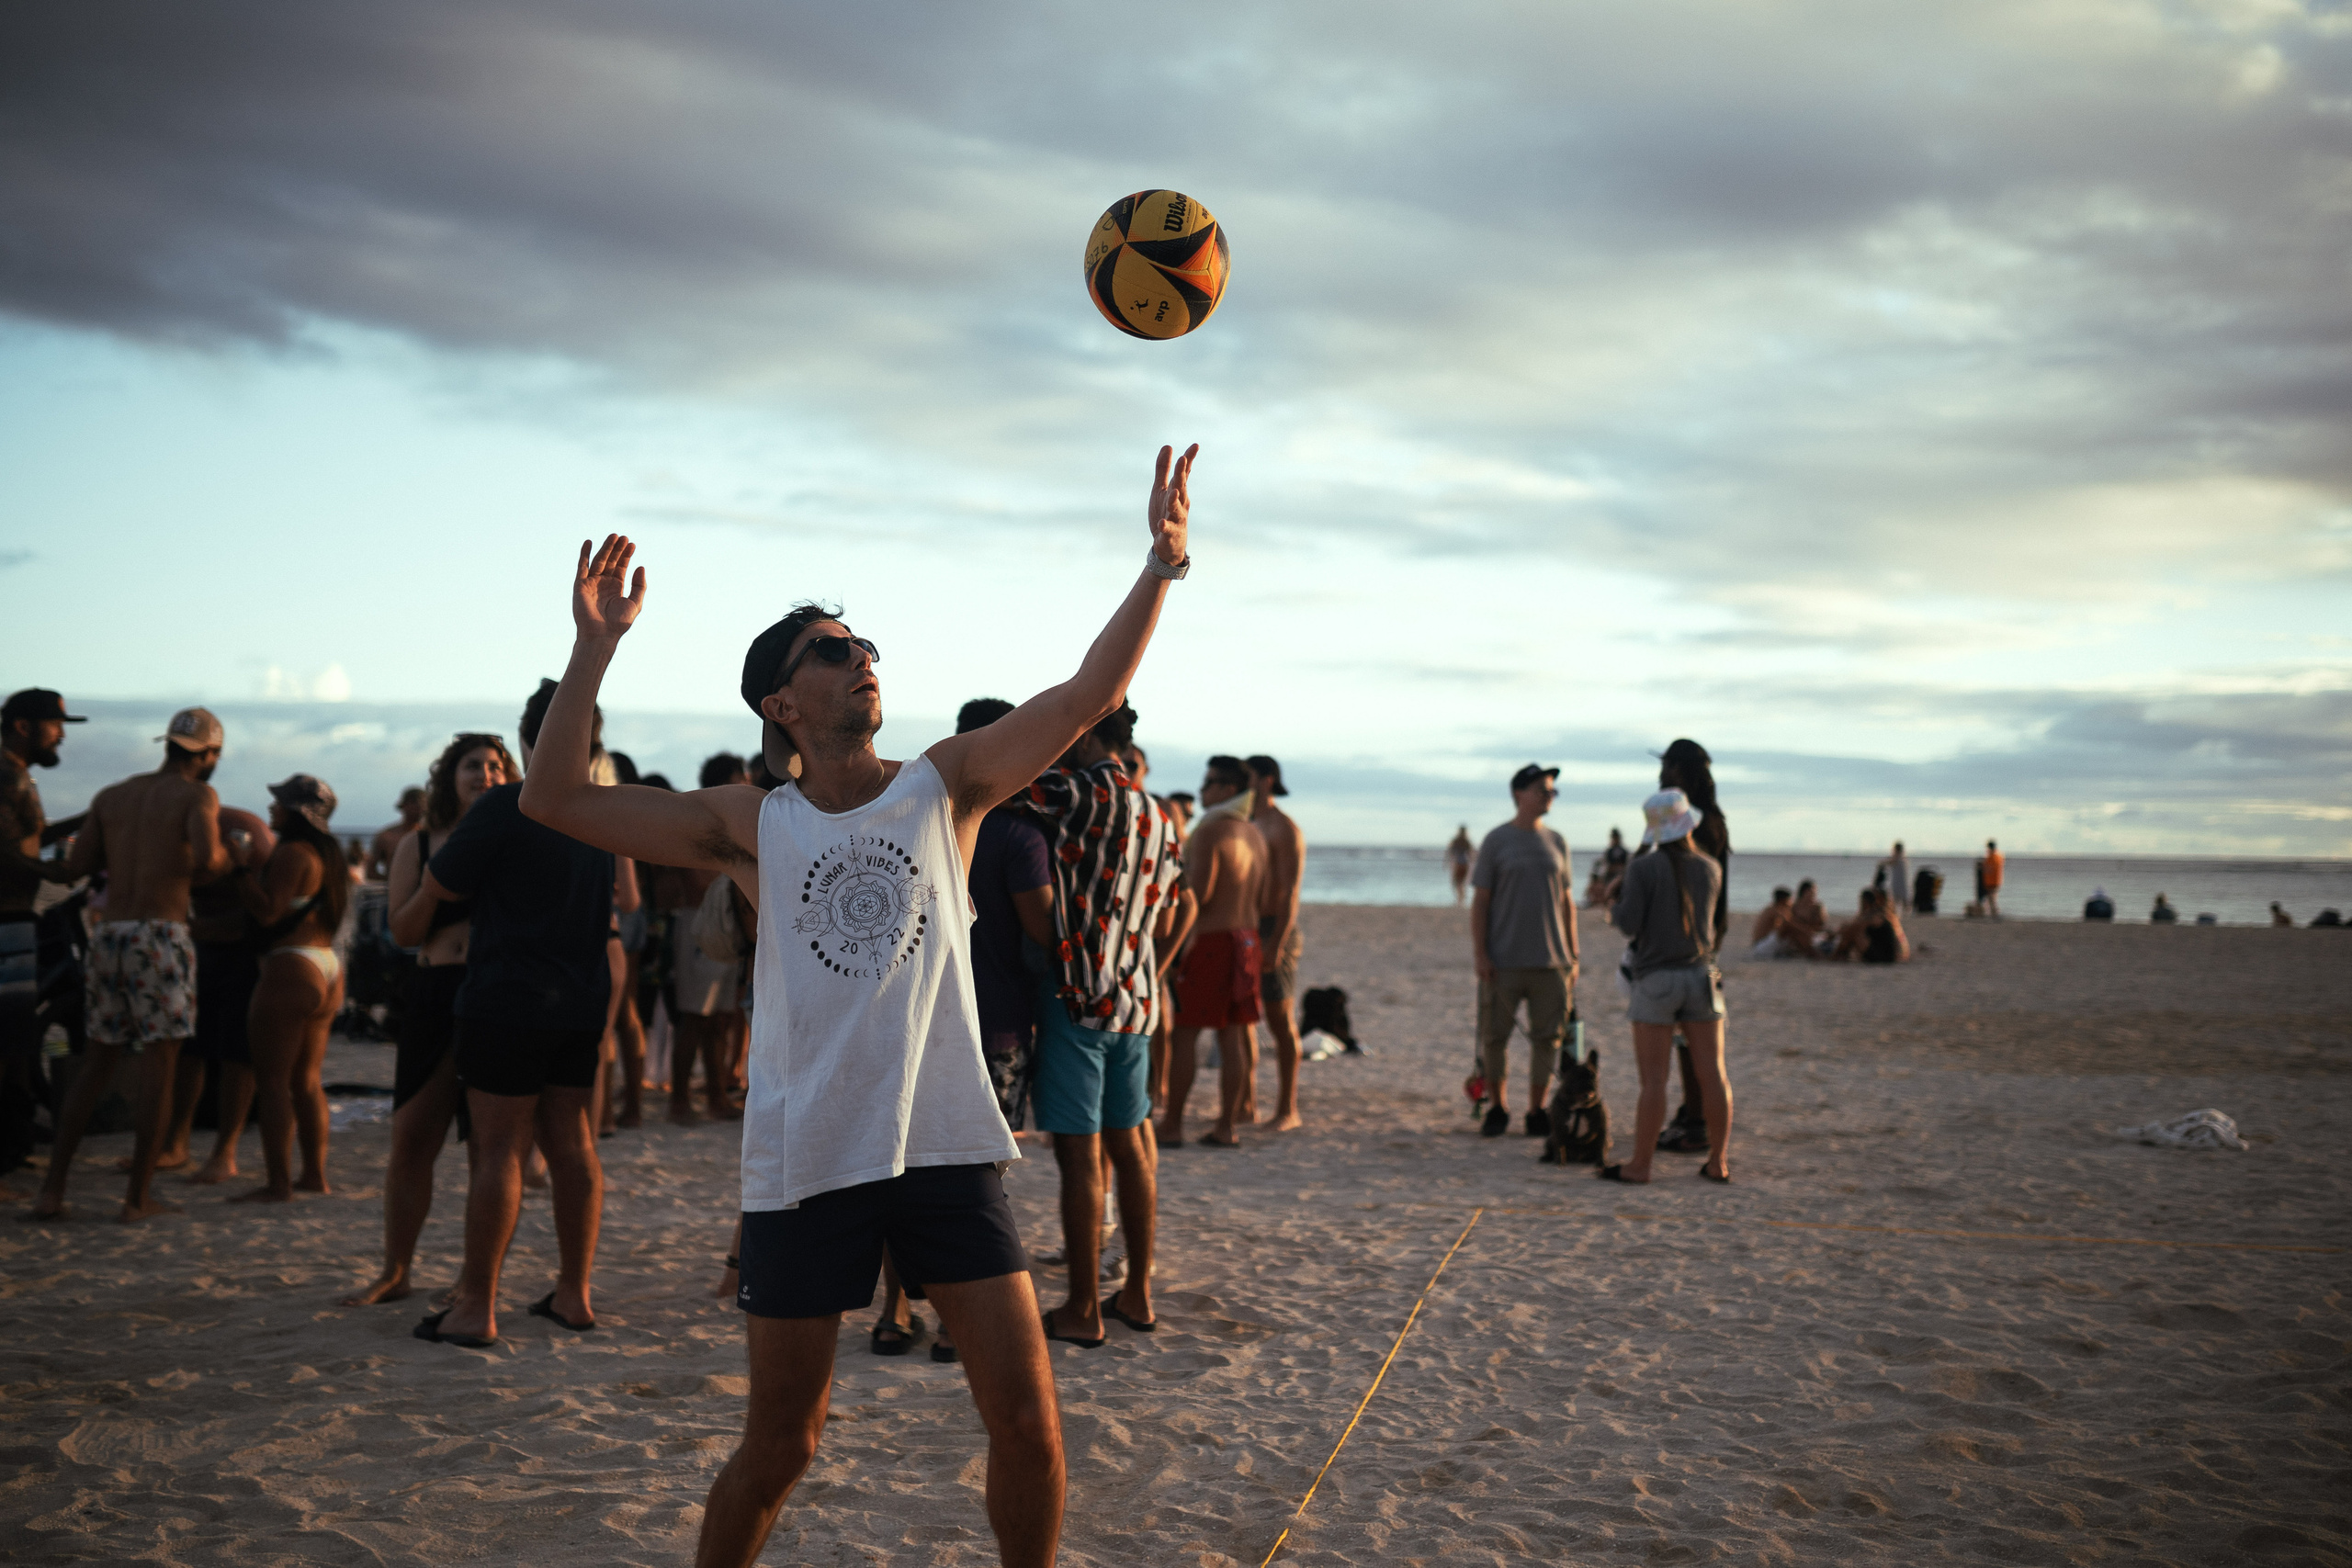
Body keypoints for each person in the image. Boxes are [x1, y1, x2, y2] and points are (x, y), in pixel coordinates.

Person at [515, 441, 1198, 1568]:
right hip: (807, 1159)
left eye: (865, 645)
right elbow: (552, 799)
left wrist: (1160, 566)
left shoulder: (947, 786)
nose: (862, 659)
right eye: (833, 651)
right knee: (782, 1444)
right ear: (783, 702)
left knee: (1030, 1428)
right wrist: (593, 650)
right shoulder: (750, 824)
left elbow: (1089, 696)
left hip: (945, 1148)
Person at [28, 707, 235, 1222]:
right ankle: (137, 1199)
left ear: (167, 744)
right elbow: (208, 860)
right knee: (158, 1069)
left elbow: (77, 867)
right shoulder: (197, 796)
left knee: (96, 1064)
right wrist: (233, 858)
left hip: (110, 936)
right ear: (209, 754)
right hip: (160, 934)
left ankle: (52, 1191)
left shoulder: (112, 795)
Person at [1025, 701, 1186, 1346]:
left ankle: (1084, 1306)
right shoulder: (1160, 814)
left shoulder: (1072, 792)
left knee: (1080, 1155)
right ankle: (1138, 1293)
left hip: (1076, 996)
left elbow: (995, 790)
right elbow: (1170, 910)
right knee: (1131, 1145)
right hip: (1137, 1000)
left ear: (1085, 734)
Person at [342, 733, 516, 1305]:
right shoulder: (418, 844)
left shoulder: (519, 841)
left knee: (487, 1146)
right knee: (413, 1137)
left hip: (496, 993)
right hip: (435, 989)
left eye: (496, 766)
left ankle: (474, 1278)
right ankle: (396, 1270)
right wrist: (442, 878)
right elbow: (404, 932)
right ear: (449, 776)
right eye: (473, 765)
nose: (485, 775)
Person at [227, 775, 350, 1203]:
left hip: (292, 968)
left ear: (297, 812)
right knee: (307, 1081)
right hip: (327, 966)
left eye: (278, 802)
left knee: (273, 1081)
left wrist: (240, 866)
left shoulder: (293, 852)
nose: (271, 808)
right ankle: (314, 1176)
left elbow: (267, 912)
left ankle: (278, 1183)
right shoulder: (329, 855)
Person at [1600, 789, 1729, 1185]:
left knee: (1654, 1081)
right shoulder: (1710, 867)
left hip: (1656, 978)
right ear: (1687, 823)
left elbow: (1629, 924)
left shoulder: (1643, 868)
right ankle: (1718, 1161)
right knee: (1713, 1074)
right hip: (1701, 976)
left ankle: (1641, 1165)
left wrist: (1611, 902)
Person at [157, 802, 272, 1183]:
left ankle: (225, 1151)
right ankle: (176, 1142)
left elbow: (264, 909)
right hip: (201, 949)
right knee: (190, 1048)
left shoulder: (243, 830)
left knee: (237, 1053)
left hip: (242, 950)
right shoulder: (169, 830)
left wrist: (203, 927)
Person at [1, 690, 87, 1187]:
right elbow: (7, 853)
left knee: (15, 1033)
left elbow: (24, 840)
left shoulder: (16, 774)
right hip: (5, 918)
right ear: (22, 727)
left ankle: (14, 1138)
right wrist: (55, 873)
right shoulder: (5, 773)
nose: (61, 736)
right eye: (55, 725)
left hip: (15, 915)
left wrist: (83, 822)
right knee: (6, 1035)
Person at [1469, 763, 1579, 1138]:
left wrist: (1574, 955)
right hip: (1503, 961)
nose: (1549, 796)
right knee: (1495, 1037)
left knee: (1548, 1038)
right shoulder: (1497, 840)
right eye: (1542, 790)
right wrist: (1480, 954)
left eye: (1552, 791)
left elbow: (1566, 902)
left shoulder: (1557, 841)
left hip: (1552, 961)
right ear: (1519, 793)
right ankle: (1498, 1108)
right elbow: (1480, 902)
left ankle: (1537, 1110)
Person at [1162, 754, 1266, 1149]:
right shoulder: (1253, 833)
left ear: (1227, 789)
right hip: (1247, 937)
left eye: (1208, 783)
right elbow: (1265, 897)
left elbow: (1200, 894)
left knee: (1185, 1034)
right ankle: (1226, 1126)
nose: (1202, 790)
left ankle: (1173, 1125)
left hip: (1212, 941)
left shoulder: (1210, 830)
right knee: (1234, 1036)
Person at [658, 751, 752, 1124]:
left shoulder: (719, 819)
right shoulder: (702, 820)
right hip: (700, 924)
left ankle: (715, 1096)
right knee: (694, 1019)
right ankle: (680, 1101)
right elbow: (696, 880)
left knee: (719, 1020)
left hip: (719, 926)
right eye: (742, 778)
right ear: (729, 780)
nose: (748, 784)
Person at [1655, 739, 1728, 1156]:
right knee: (1694, 1038)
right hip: (1704, 941)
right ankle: (1693, 1112)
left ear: (1680, 771)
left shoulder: (1697, 823)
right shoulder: (1711, 820)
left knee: (1693, 1041)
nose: (1661, 774)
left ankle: (1697, 1122)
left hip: (1692, 946)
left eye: (1667, 766)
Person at [1245, 754, 1306, 1133]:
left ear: (1267, 780)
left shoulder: (1284, 828)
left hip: (1274, 928)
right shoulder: (1248, 821)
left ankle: (1287, 1108)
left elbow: (1290, 893)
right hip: (1247, 926)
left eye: (1249, 777)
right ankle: (1246, 1104)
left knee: (1280, 1020)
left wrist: (1278, 943)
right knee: (1244, 1020)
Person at [365, 789, 427, 882]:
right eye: (415, 803)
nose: (420, 809)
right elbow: (370, 872)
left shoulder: (429, 836)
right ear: (404, 805)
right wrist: (394, 882)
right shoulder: (386, 837)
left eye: (423, 805)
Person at [1749, 886, 1798, 958]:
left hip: (1762, 944)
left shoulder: (1772, 908)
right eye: (1790, 900)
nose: (1791, 902)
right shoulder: (1775, 910)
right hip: (1761, 946)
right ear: (1783, 900)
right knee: (1788, 928)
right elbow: (1788, 923)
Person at [1786, 879, 1827, 953]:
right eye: (1812, 892)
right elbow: (1789, 922)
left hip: (1812, 934)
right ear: (1804, 892)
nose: (1814, 895)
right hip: (1798, 933)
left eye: (1815, 892)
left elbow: (1821, 924)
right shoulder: (1794, 906)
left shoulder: (1817, 907)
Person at [1878, 841, 1911, 913]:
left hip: (1897, 883)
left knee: (1895, 900)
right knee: (1903, 900)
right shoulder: (1903, 859)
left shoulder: (1897, 858)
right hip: (1902, 882)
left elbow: (1888, 862)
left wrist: (1881, 863)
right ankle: (1906, 914)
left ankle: (1896, 914)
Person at [1445, 825, 1474, 906]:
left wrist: (1447, 862)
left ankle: (1460, 900)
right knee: (1462, 882)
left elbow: (1450, 852)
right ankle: (1462, 899)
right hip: (1465, 863)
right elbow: (1471, 855)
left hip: (1458, 863)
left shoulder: (1456, 841)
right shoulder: (1467, 841)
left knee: (1457, 882)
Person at [1981, 840, 2004, 919]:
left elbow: (1989, 869)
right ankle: (1990, 913)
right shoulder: (1999, 856)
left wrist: (1983, 868)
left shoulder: (1992, 857)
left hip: (1992, 882)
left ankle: (1995, 914)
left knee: (1992, 899)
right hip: (1995, 881)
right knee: (1991, 899)